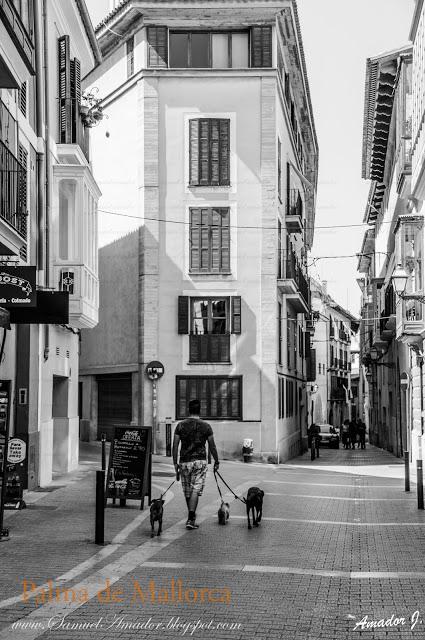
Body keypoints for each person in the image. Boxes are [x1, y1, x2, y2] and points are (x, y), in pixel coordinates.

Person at [173, 399, 219, 530]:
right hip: (199, 462)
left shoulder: (180, 425)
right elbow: (212, 446)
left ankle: (191, 516)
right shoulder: (206, 426)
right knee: (195, 489)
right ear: (200, 410)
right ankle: (191, 517)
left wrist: (174, 463)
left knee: (188, 491)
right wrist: (217, 460)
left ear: (189, 410)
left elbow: (175, 445)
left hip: (184, 461)